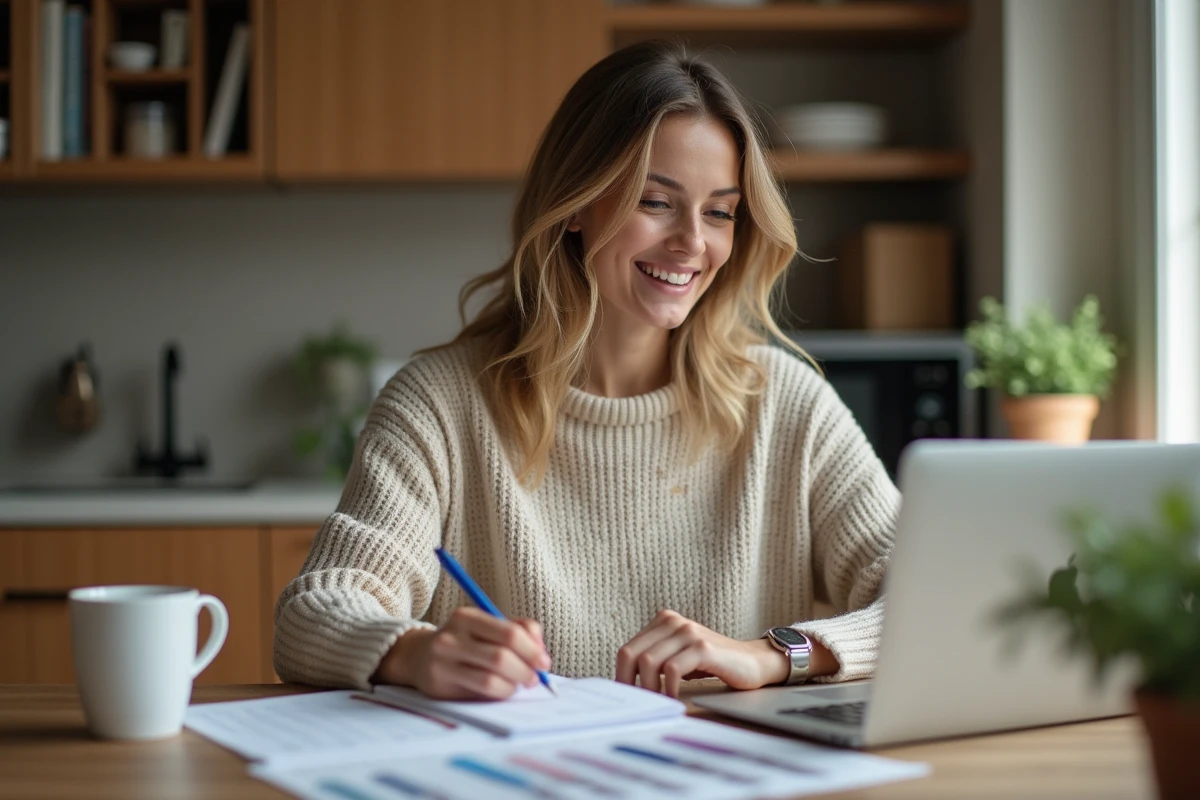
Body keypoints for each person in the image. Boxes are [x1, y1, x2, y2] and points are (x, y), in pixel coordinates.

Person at [274, 40, 898, 701]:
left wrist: (774, 655)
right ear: (576, 203)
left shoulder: (787, 403)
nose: (693, 241)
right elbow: (311, 614)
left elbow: (941, 594)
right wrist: (416, 651)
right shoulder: (439, 403)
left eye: (719, 211)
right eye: (655, 201)